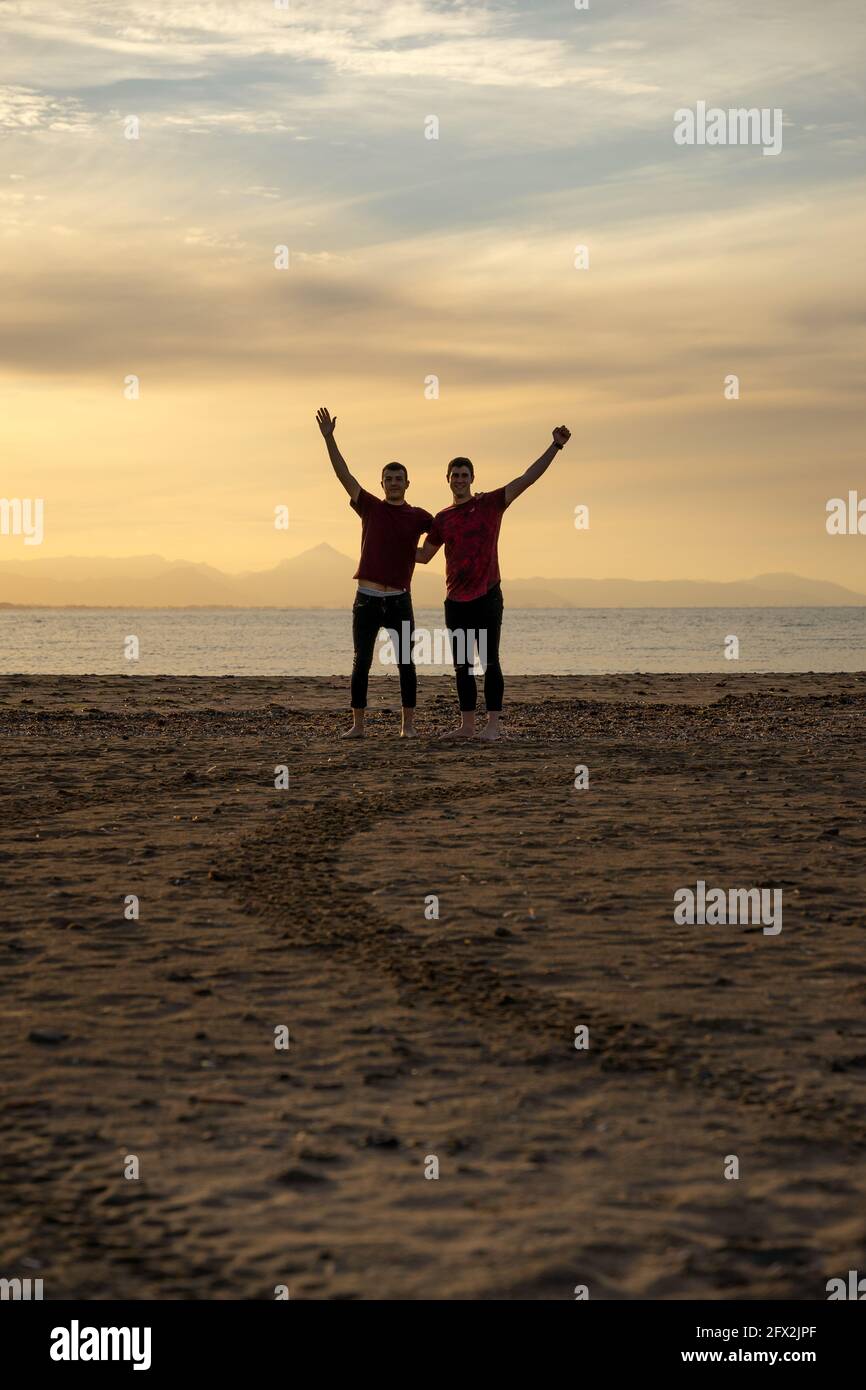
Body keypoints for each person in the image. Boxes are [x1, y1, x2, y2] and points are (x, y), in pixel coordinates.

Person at [416, 426, 571, 740]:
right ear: (447, 479)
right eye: (454, 475)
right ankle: (467, 726)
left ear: (472, 478)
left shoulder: (490, 503)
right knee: (462, 667)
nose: (459, 479)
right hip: (455, 601)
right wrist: (387, 540)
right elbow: (423, 556)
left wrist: (555, 446)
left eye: (464, 474)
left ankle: (492, 728)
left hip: (487, 595)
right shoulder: (443, 518)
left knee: (490, 661)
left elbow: (527, 477)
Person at [316, 407, 433, 738]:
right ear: (381, 483)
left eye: (399, 479)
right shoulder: (370, 506)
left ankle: (408, 727)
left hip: (399, 600)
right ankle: (358, 726)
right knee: (361, 662)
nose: (394, 483)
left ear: (408, 483)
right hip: (366, 599)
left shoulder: (420, 517)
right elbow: (344, 476)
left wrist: (421, 554)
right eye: (389, 479)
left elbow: (437, 543)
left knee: (406, 664)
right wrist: (329, 438)